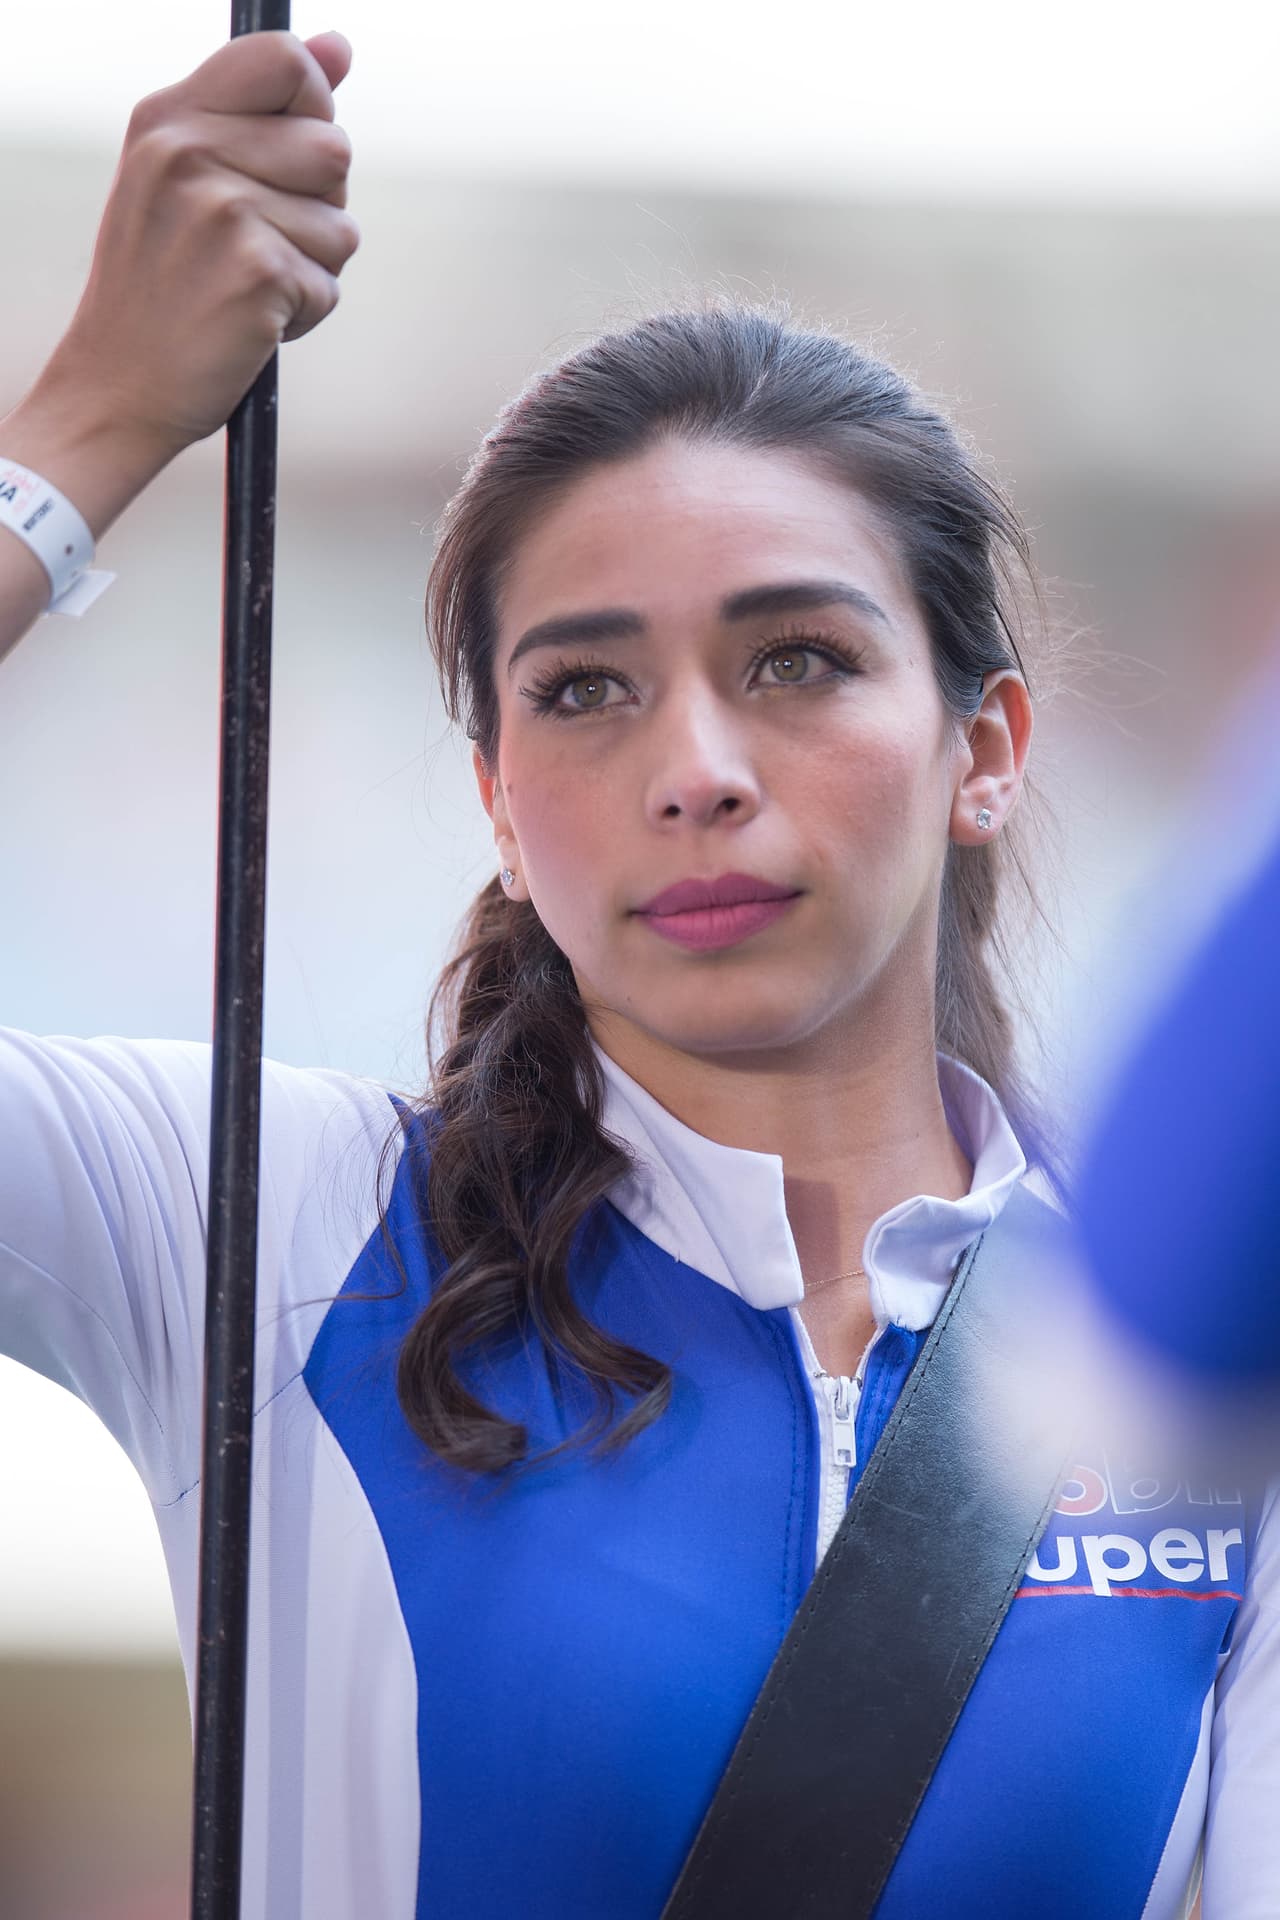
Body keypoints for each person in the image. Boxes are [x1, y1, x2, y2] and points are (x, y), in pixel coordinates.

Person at [0, 30, 1274, 1920]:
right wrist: (87, 429)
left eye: (798, 661)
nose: (695, 768)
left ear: (987, 746)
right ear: (502, 808)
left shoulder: (1195, 1350)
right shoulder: (265, 1223)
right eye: (585, 688)